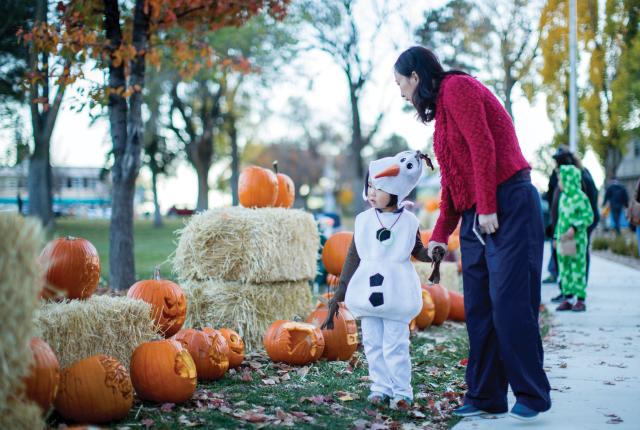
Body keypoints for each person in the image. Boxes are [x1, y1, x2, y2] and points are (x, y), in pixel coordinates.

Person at [392, 46, 551, 421]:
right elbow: (451, 186)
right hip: (477, 211)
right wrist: (439, 236)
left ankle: (532, 394)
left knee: (509, 301)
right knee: (479, 307)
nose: (400, 92)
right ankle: (486, 395)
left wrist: (488, 205)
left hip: (506, 200)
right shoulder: (441, 122)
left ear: (416, 77)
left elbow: (484, 145)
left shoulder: (457, 88)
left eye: (401, 83)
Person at [323, 150, 439, 411]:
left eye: (379, 187)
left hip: (397, 293)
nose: (372, 193)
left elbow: (416, 249)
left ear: (396, 191)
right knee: (373, 343)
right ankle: (380, 387)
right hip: (368, 290)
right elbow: (353, 256)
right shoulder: (363, 220)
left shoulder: (409, 221)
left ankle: (401, 391)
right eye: (370, 186)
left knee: (396, 344)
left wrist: (431, 253)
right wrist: (342, 288)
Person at [543, 146, 599, 304]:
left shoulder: (582, 180)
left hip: (578, 234)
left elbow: (589, 213)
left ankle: (579, 296)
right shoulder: (563, 193)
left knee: (578, 264)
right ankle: (567, 295)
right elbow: (557, 210)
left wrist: (576, 228)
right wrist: (554, 233)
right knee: (565, 264)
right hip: (563, 235)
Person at [554, 165, 594, 312]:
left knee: (577, 268)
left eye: (561, 179)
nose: (559, 183)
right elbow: (560, 220)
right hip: (564, 240)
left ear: (569, 179)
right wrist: (556, 237)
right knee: (565, 269)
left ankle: (580, 299)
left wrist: (575, 227)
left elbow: (589, 217)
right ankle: (568, 298)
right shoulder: (563, 197)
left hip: (577, 240)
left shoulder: (581, 197)